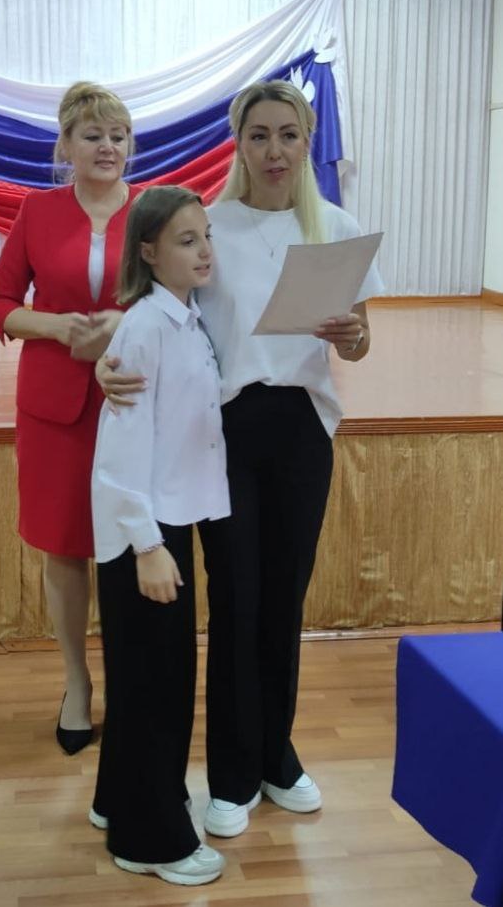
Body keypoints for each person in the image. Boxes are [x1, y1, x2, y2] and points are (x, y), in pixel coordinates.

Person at [97, 79, 384, 837]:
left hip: (302, 431)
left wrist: (355, 337)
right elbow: (152, 318)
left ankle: (275, 756)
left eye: (288, 134)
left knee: (284, 600)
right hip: (225, 434)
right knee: (237, 600)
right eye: (259, 135)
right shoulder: (210, 228)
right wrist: (106, 365)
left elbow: (358, 339)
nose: (275, 150)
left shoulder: (336, 229)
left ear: (308, 140)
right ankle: (229, 771)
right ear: (239, 143)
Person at [0, 82, 140, 754]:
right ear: (66, 146)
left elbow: (185, 298)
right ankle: (77, 683)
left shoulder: (156, 210)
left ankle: (134, 686)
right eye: (93, 135)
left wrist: (124, 326)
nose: (107, 147)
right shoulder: (37, 211)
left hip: (135, 398)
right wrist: (55, 325)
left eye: (118, 136)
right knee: (66, 548)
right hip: (57, 409)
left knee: (134, 546)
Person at [90, 185, 230, 885]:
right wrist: (147, 545)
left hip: (166, 522)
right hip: (143, 536)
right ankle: (149, 841)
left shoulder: (185, 319)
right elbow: (120, 452)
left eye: (206, 236)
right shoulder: (145, 328)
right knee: (157, 687)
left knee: (150, 680)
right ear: (148, 251)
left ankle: (120, 799)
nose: (204, 251)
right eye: (186, 240)